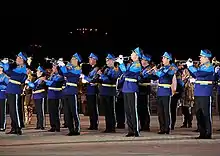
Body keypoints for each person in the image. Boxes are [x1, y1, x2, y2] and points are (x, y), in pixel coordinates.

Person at [186, 49, 214, 139]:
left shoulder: (209, 66)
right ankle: (202, 133)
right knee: (199, 114)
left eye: (201, 57)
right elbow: (195, 75)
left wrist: (190, 67)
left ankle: (208, 133)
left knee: (206, 114)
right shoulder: (202, 66)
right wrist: (189, 67)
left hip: (205, 93)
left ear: (206, 57)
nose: (200, 58)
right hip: (198, 93)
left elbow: (198, 74)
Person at [116, 47, 142, 137]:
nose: (131, 54)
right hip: (126, 88)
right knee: (127, 110)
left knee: (133, 110)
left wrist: (121, 63)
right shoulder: (130, 64)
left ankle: (136, 130)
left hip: (132, 88)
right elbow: (123, 74)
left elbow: (127, 74)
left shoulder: (137, 65)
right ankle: (130, 130)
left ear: (137, 55)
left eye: (133, 53)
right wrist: (120, 64)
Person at [2, 52, 28, 135]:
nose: (17, 59)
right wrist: (5, 64)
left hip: (15, 90)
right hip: (10, 90)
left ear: (22, 60)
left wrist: (7, 66)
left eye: (19, 58)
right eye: (17, 58)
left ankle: (18, 127)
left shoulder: (23, 68)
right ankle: (14, 127)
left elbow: (14, 75)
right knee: (12, 111)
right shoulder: (16, 68)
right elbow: (8, 72)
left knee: (15, 110)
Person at [151, 52, 175, 134]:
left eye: (164, 58)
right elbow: (156, 76)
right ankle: (162, 128)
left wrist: (156, 71)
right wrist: (151, 73)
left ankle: (167, 128)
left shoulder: (171, 68)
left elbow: (162, 75)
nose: (162, 59)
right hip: (160, 91)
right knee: (160, 111)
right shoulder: (162, 68)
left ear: (168, 59)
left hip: (166, 91)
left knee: (166, 111)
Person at [59, 53, 82, 136]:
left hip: (72, 92)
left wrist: (63, 67)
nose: (72, 61)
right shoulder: (69, 68)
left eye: (74, 59)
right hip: (66, 92)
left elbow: (68, 74)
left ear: (77, 61)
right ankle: (71, 129)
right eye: (72, 59)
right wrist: (60, 65)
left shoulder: (78, 69)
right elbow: (61, 73)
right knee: (67, 112)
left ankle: (77, 129)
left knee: (74, 111)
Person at [97, 54, 121, 133]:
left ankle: (112, 127)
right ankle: (108, 127)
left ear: (112, 61)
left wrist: (102, 75)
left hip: (110, 92)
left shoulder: (115, 69)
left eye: (108, 60)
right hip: (104, 91)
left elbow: (110, 79)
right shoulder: (106, 69)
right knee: (106, 111)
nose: (106, 61)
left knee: (111, 110)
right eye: (106, 60)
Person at [81, 53, 99, 130]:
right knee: (90, 109)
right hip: (89, 90)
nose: (89, 60)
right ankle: (92, 124)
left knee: (93, 108)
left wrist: (84, 77)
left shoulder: (96, 69)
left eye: (90, 59)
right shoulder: (91, 69)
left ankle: (94, 124)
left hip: (93, 90)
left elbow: (92, 80)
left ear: (94, 60)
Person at [45, 62, 64, 132]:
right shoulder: (53, 75)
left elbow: (52, 83)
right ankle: (53, 126)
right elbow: (48, 83)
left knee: (56, 112)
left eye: (54, 67)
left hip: (56, 95)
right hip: (50, 95)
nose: (52, 68)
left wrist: (45, 81)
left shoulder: (60, 76)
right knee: (51, 112)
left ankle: (57, 126)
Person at [138, 53, 153, 131]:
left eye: (143, 60)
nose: (141, 61)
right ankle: (142, 125)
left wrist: (139, 77)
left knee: (145, 108)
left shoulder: (149, 69)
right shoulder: (142, 68)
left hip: (145, 90)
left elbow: (143, 79)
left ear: (146, 61)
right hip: (140, 90)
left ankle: (146, 126)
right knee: (140, 109)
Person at [0, 62, 9, 132]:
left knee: (2, 111)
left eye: (0, 67)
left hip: (2, 95)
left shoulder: (5, 77)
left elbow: (8, 86)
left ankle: (2, 125)